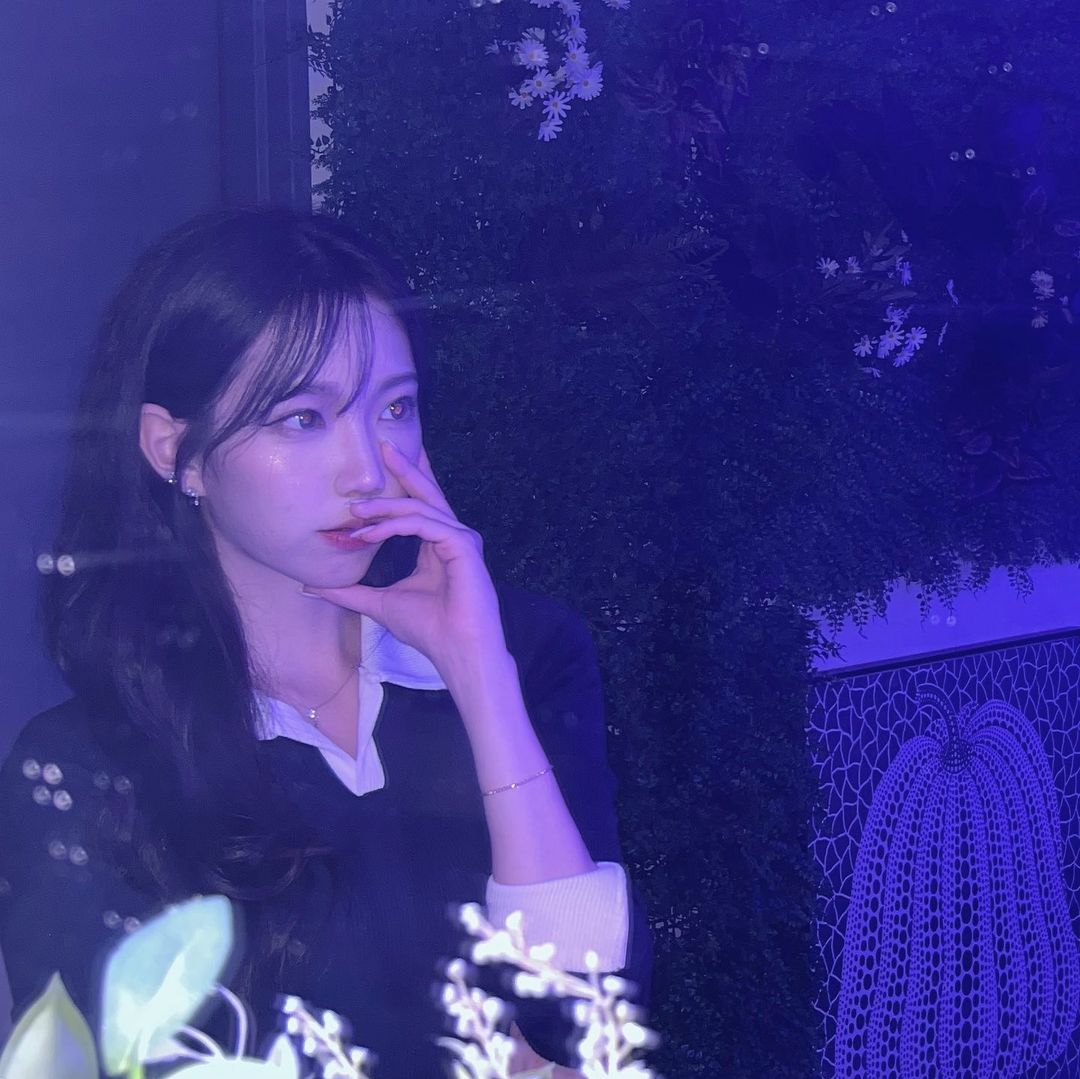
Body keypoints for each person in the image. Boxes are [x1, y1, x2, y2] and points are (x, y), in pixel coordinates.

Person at [0, 207, 652, 1077]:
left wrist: (479, 676)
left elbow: (585, 1025)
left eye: (396, 407)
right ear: (175, 450)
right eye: (303, 418)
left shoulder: (527, 655)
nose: (369, 470)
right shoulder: (85, 764)